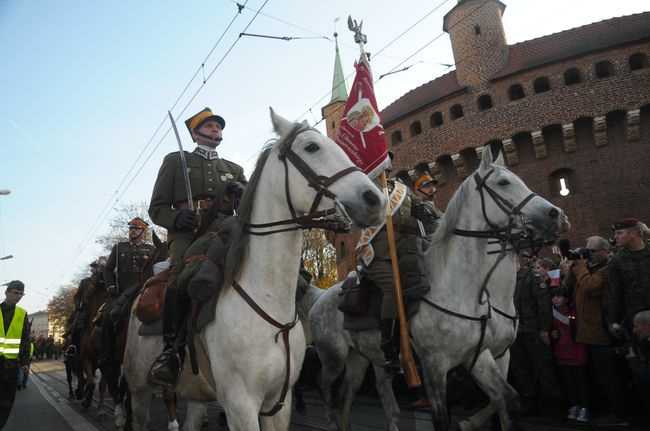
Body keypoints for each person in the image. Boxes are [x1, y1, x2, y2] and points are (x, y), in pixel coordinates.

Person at [148, 108, 246, 385]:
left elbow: (251, 207)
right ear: (195, 133)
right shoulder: (176, 161)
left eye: (218, 126)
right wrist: (177, 218)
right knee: (179, 276)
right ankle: (171, 352)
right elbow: (156, 208)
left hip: (228, 231)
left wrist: (242, 195)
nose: (216, 129)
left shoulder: (234, 169)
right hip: (188, 234)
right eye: (210, 126)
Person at [560, 235, 631, 423]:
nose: (588, 254)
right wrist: (575, 264)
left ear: (605, 251)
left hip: (600, 332)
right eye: (587, 250)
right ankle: (603, 409)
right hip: (584, 331)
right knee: (595, 377)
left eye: (592, 251)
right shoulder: (587, 267)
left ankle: (620, 413)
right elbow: (567, 286)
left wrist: (581, 266)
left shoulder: (609, 268)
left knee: (609, 377)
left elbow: (591, 287)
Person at [509, 256, 562, 416]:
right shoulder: (507, 280)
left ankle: (554, 405)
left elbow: (544, 304)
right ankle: (529, 403)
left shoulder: (531, 277)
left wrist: (544, 329)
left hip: (534, 330)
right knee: (521, 369)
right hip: (515, 331)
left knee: (543, 367)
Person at [98, 218, 153, 367]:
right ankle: (108, 354)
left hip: (143, 289)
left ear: (143, 232)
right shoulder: (118, 248)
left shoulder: (150, 249)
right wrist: (110, 286)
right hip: (121, 292)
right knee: (108, 316)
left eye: (136, 228)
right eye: (131, 228)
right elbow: (108, 270)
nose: (132, 231)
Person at [549, 286, 590, 421]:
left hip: (577, 353)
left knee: (581, 383)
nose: (555, 299)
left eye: (559, 296)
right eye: (553, 296)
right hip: (562, 354)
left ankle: (585, 407)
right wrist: (553, 335)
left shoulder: (574, 313)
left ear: (566, 299)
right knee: (569, 383)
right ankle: (574, 406)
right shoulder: (552, 314)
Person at [607, 217, 650, 333]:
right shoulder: (617, 260)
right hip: (636, 319)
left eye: (619, 233)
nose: (615, 237)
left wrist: (648, 231)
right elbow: (613, 292)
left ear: (634, 233)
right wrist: (611, 320)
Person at [0, 281, 31, 428]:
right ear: (7, 292)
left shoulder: (22, 313)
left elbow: (25, 339)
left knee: (7, 400)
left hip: (10, 366)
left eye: (21, 294)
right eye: (15, 292)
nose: (18, 296)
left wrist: (25, 362)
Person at [65, 260, 103, 357]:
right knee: (77, 326)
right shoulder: (85, 281)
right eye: (93, 267)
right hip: (86, 308)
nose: (94, 269)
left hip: (102, 308)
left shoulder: (105, 280)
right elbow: (77, 296)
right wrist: (79, 307)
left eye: (96, 267)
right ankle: (72, 347)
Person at [626, 310, 650, 423]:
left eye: (636, 326)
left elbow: (646, 375)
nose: (634, 330)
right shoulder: (644, 340)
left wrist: (633, 360)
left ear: (647, 326)